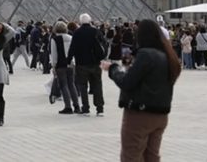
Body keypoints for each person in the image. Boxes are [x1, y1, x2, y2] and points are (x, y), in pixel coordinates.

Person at [101, 19, 181, 162]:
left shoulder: (146, 54)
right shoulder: (167, 56)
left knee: (131, 156)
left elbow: (127, 82)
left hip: (140, 115)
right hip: (160, 115)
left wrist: (112, 69)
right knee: (151, 157)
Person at [67, 13, 105, 116]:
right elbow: (104, 44)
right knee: (97, 85)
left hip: (81, 63)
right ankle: (100, 109)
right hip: (95, 63)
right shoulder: (96, 31)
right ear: (90, 21)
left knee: (82, 86)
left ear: (80, 21)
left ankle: (85, 109)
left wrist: (69, 60)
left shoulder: (77, 33)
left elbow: (72, 48)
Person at [51, 21, 81, 115]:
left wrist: (53, 66)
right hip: (71, 64)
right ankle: (77, 106)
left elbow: (54, 54)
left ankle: (68, 107)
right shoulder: (71, 37)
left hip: (60, 65)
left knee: (64, 85)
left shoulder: (54, 39)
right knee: (71, 85)